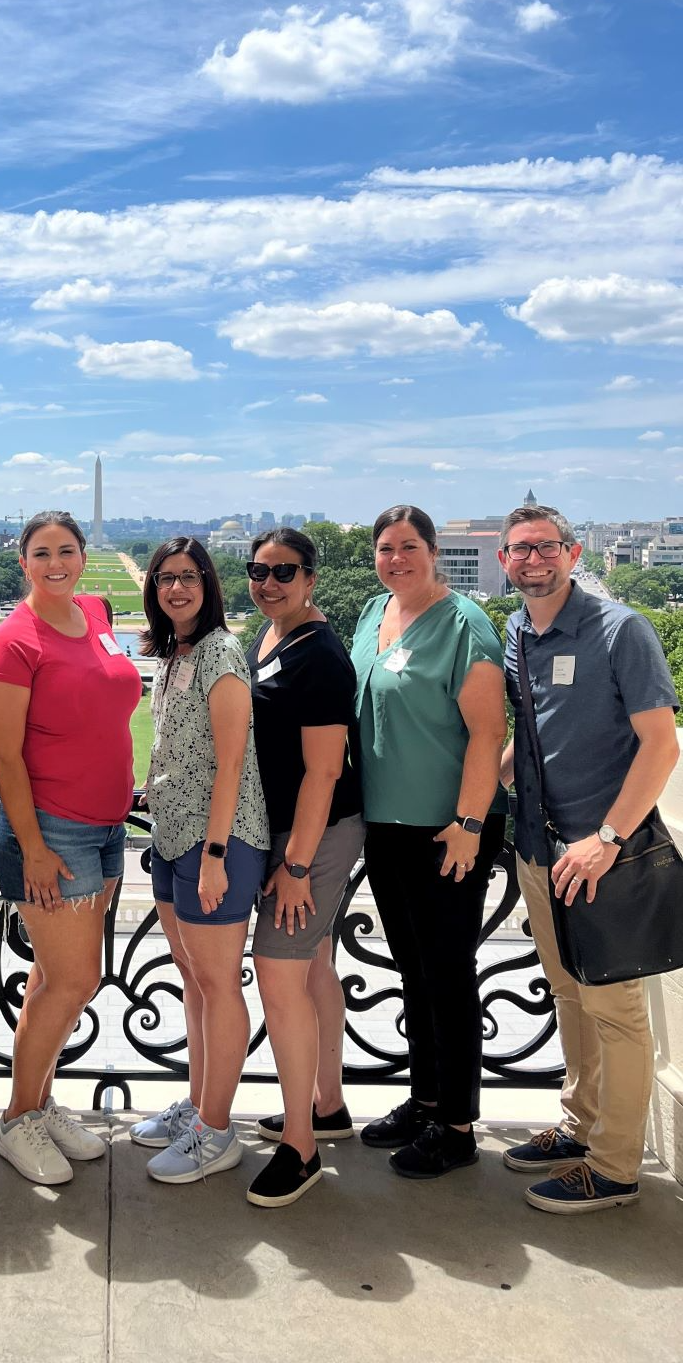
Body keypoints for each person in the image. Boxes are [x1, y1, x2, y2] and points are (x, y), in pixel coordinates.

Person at [499, 504, 679, 1213]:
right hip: (541, 849)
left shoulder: (620, 630)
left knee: (615, 1009)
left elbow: (661, 746)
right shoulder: (516, 630)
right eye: (519, 550)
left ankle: (614, 1167)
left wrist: (606, 839)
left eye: (545, 548)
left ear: (573, 554)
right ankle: (580, 1125)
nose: (531, 560)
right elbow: (536, 728)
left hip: (605, 856)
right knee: (570, 994)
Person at [0, 510, 142, 1184]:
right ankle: (18, 1120)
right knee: (77, 979)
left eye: (66, 550)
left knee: (52, 978)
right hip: (50, 828)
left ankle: (39, 1104)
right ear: (23, 562)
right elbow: (5, 756)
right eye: (42, 552)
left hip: (105, 826)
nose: (56, 563)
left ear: (82, 555)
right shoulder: (12, 643)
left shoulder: (97, 612)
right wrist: (36, 848)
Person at [351, 505, 508, 1178]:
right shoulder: (371, 612)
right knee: (414, 970)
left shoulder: (465, 624)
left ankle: (458, 1124)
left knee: (448, 974)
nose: (396, 560)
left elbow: (486, 732)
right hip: (385, 825)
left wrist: (470, 825)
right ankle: (425, 1098)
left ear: (434, 551)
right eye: (386, 549)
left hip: (450, 830)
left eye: (408, 547)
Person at [129, 537, 269, 1185]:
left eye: (188, 577)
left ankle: (217, 1129)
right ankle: (198, 1102)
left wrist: (215, 856)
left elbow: (232, 761)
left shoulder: (220, 651)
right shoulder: (175, 651)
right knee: (192, 981)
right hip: (169, 833)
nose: (177, 589)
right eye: (166, 578)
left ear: (207, 584)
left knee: (215, 983)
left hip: (219, 841)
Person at [242, 528, 364, 1208]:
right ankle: (327, 1105)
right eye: (258, 570)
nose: (269, 582)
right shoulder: (271, 637)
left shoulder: (319, 655)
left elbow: (323, 771)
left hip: (313, 836)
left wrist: (294, 865)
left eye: (284, 571)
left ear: (311, 578)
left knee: (279, 971)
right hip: (298, 829)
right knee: (313, 968)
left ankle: (301, 1147)